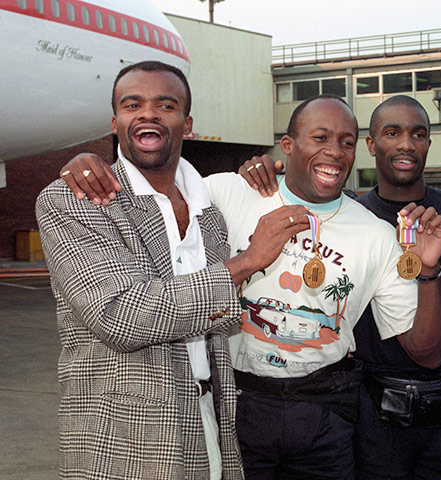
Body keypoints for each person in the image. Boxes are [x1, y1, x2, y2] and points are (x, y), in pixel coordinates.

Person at [59, 94, 441, 479]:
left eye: (347, 142)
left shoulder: (377, 235)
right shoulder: (227, 192)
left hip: (324, 411)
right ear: (287, 145)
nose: (335, 151)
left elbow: (427, 354)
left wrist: (428, 271)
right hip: (236, 403)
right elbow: (151, 191)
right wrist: (92, 166)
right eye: (320, 138)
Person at [37, 61, 313, 479]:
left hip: (212, 421)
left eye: (165, 105)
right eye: (133, 104)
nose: (148, 113)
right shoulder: (73, 198)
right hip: (122, 437)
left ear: (187, 124)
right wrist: (246, 263)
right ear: (116, 122)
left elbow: (220, 321)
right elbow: (120, 315)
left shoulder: (210, 210)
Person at [241, 95, 441, 479]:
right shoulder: (347, 219)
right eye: (392, 132)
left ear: (429, 144)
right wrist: (257, 172)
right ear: (370, 144)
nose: (405, 144)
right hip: (371, 412)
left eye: (418, 134)